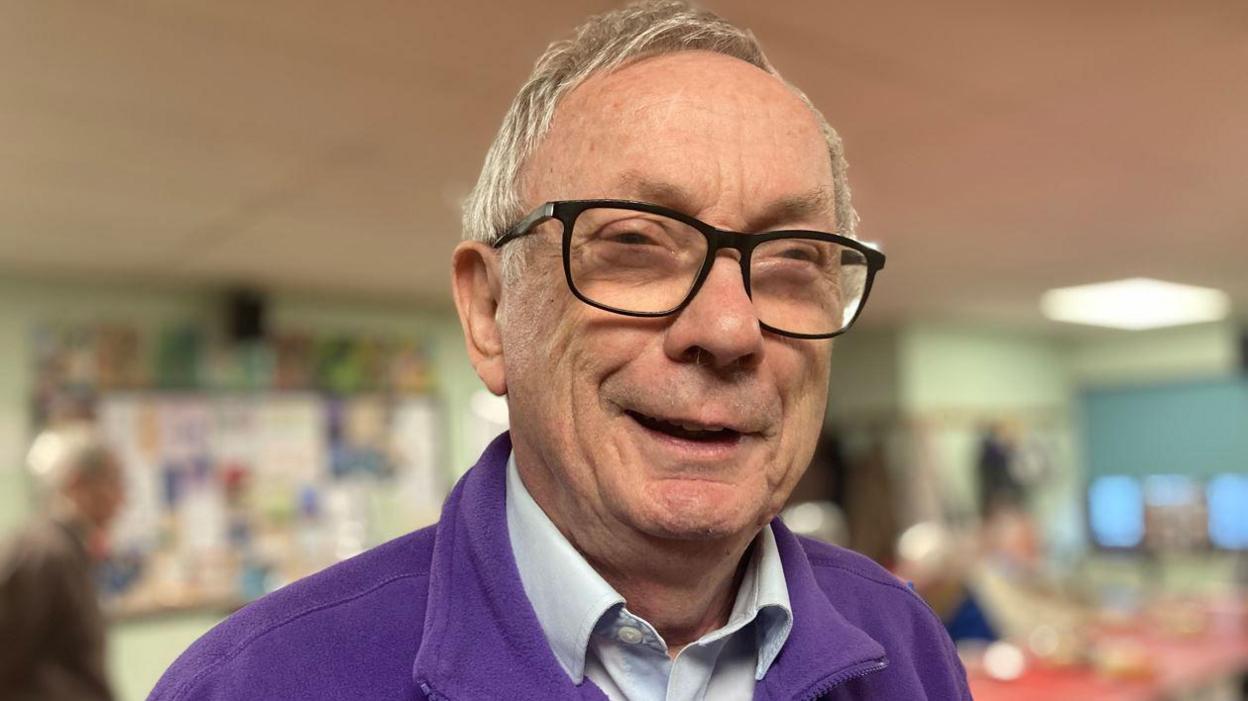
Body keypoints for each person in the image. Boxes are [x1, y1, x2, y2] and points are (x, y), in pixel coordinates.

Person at [152, 2, 970, 698]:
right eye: (637, 243)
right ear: (490, 310)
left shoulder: (906, 647)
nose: (728, 330)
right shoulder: (257, 681)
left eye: (795, 259)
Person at [1, 423, 124, 701]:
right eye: (113, 481)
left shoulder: (68, 549)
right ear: (77, 483)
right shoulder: (44, 553)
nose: (122, 498)